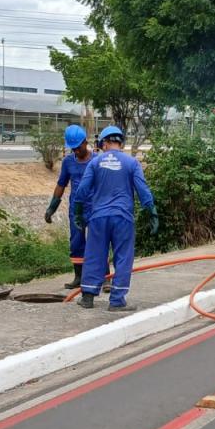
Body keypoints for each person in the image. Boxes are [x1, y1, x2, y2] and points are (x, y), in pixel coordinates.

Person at [72, 126, 159, 311]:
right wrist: (152, 212)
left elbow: (82, 190)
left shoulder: (94, 163)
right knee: (123, 257)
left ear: (103, 143)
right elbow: (142, 190)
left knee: (94, 256)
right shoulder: (131, 163)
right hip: (122, 218)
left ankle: (87, 297)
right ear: (121, 142)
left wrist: (78, 213)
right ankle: (117, 301)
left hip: (98, 218)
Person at [45, 125, 94, 289]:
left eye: (78, 147)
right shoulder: (68, 162)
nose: (76, 151)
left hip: (95, 208)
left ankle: (105, 276)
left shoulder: (97, 160)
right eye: (73, 148)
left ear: (86, 142)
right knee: (76, 242)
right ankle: (79, 277)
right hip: (76, 209)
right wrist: (52, 208)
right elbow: (61, 185)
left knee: (98, 241)